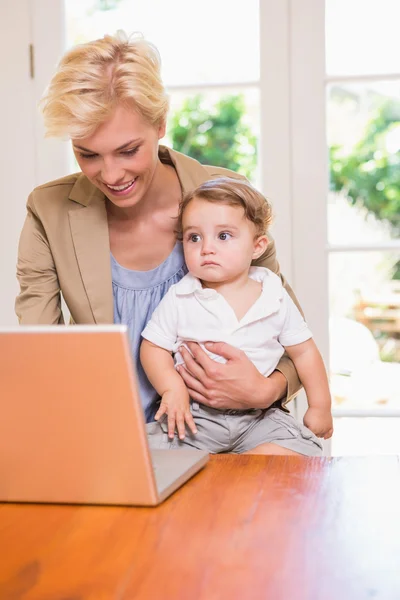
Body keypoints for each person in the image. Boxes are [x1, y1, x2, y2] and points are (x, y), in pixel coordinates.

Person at [16, 31, 304, 437]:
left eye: (128, 150)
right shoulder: (49, 210)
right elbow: (39, 350)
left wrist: (264, 390)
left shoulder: (229, 200)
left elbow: (293, 340)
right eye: (88, 154)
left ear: (161, 123)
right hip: (112, 438)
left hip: (235, 431)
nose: (111, 175)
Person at [140, 178, 332, 455]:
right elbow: (153, 347)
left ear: (257, 246)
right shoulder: (181, 296)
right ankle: (217, 473)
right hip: (194, 417)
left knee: (303, 452)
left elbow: (304, 353)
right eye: (194, 237)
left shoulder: (273, 295)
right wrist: (172, 389)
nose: (206, 248)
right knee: (138, 455)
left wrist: (320, 406)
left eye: (223, 236)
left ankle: (244, 469)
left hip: (259, 418)